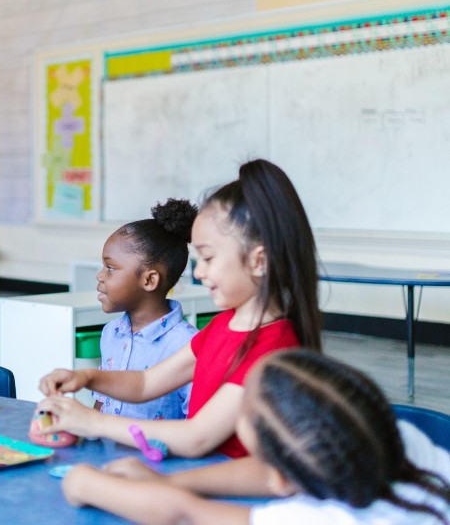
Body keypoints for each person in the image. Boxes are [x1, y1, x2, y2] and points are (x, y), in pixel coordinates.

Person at [37, 159, 322, 458]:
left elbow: (195, 438)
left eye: (208, 259)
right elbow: (147, 383)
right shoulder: (223, 326)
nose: (198, 273)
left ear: (259, 261)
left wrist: (93, 423)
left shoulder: (272, 348)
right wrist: (86, 378)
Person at [60, 349, 450, 525]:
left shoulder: (317, 519)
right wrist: (170, 479)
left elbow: (183, 515)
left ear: (280, 480)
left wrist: (83, 482)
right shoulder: (396, 437)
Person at [91, 198, 199, 420]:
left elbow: (196, 424)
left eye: (110, 268)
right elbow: (102, 401)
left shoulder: (187, 346)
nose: (100, 276)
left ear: (149, 280)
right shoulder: (111, 333)